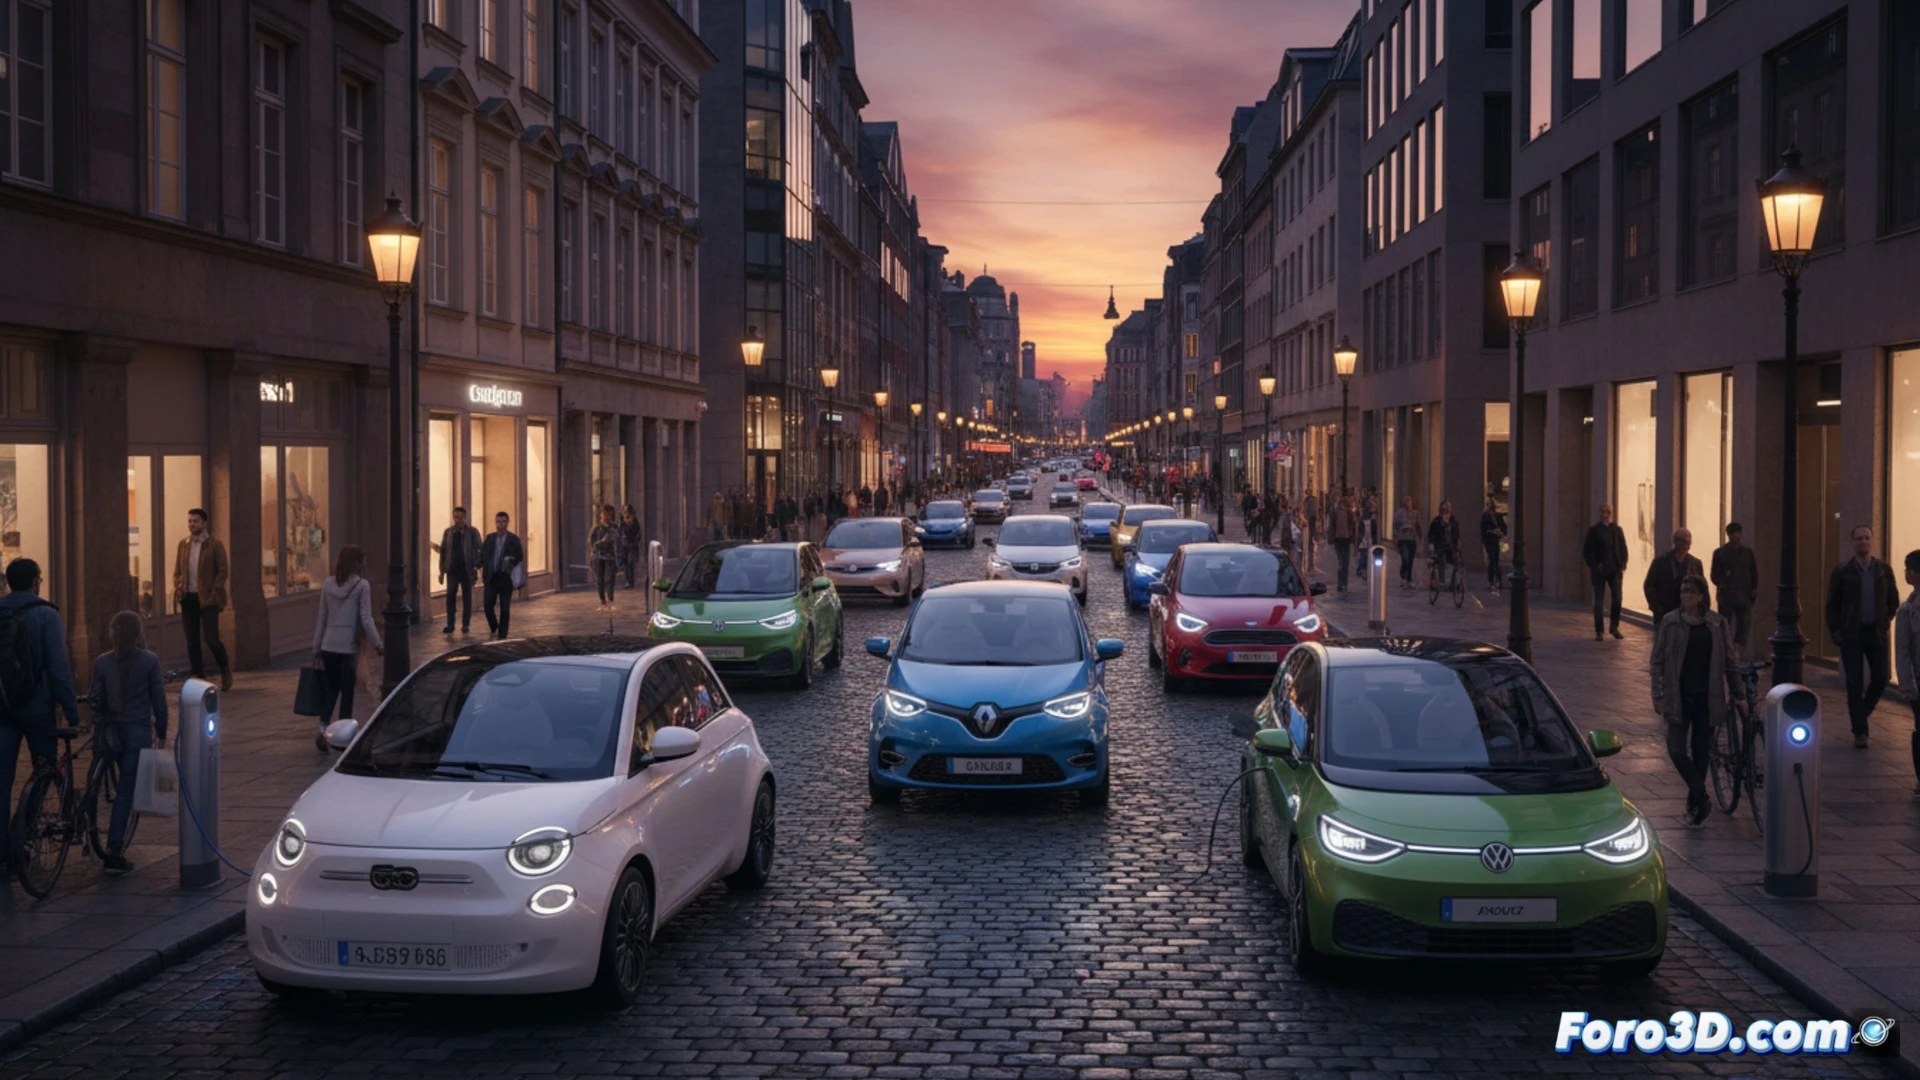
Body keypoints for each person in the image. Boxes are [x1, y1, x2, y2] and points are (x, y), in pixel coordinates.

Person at [0, 559, 82, 879]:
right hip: (37, 708)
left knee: (2, 778)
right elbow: (59, 671)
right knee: (45, 769)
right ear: (36, 581)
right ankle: (23, 830)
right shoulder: (46, 615)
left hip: (2, 708)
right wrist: (72, 712)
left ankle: (3, 849)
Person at [1649, 574, 1740, 827]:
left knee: (1701, 752)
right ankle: (1702, 795)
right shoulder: (1670, 622)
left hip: (1708, 698)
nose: (1685, 596)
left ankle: (1696, 805)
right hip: (1678, 697)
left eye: (1690, 592)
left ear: (1701, 596)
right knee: (1676, 750)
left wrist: (1738, 694)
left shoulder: (1716, 623)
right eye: (1683, 591)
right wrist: (1657, 694)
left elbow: (1731, 662)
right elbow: (1657, 662)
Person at [86, 611, 167, 873]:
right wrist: (162, 728)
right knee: (126, 790)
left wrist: (98, 724)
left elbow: (94, 699)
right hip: (136, 732)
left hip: (109, 733)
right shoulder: (149, 661)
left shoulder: (102, 663)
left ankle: (89, 832)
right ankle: (114, 848)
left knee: (97, 783)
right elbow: (158, 700)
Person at [1827, 524, 1899, 749]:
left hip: (1876, 632)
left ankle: (1860, 715)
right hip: (1852, 634)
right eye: (1859, 539)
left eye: (1867, 538)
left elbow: (1893, 600)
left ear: (1873, 540)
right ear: (1853, 542)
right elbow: (1832, 605)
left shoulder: (1883, 570)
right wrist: (1836, 631)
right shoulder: (1842, 571)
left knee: (1880, 678)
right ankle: (1860, 731)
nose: (1863, 542)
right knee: (1854, 682)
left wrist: (1884, 619)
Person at [310, 545, 382, 752]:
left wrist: (316, 646)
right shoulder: (362, 586)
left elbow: (322, 618)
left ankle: (323, 728)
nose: (364, 565)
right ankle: (343, 734)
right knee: (347, 691)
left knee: (331, 689)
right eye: (362, 561)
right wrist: (378, 643)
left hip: (328, 645)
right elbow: (366, 618)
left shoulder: (328, 584)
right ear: (357, 563)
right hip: (347, 646)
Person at [171, 508, 232, 691]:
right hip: (188, 597)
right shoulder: (184, 544)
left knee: (211, 638)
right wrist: (179, 584)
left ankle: (225, 671)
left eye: (195, 521)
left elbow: (223, 569)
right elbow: (178, 570)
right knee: (192, 639)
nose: (192, 524)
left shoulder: (214, 545)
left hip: (208, 599)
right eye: (190, 521)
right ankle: (198, 676)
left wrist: (215, 588)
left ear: (204, 523)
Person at [1709, 522, 1759, 661]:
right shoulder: (1720, 553)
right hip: (1727, 594)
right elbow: (1714, 575)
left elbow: (1754, 573)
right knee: (1725, 623)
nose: (1735, 536)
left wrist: (1753, 589)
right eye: (1732, 533)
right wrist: (1723, 583)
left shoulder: (1747, 553)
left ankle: (1738, 650)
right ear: (1728, 535)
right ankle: (1726, 650)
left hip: (1744, 594)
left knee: (1744, 624)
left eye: (1737, 533)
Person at [1583, 505, 1630, 640]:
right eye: (1603, 512)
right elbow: (1586, 551)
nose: (1606, 514)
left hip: (1614, 570)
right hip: (1599, 571)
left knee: (1617, 599)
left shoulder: (1617, 530)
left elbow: (1623, 548)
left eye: (1608, 512)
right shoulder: (1593, 531)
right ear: (1599, 514)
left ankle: (1614, 627)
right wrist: (1594, 565)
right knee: (1598, 601)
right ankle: (1599, 630)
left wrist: (1623, 563)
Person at [1643, 528, 1704, 627]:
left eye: (1689, 543)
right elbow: (1649, 585)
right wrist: (1656, 607)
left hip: (1687, 611)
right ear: (1675, 542)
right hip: (1665, 610)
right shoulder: (1660, 562)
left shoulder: (1695, 563)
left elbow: (1702, 587)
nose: (1686, 546)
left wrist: (1701, 608)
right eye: (1683, 542)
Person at [1896, 550, 1920, 792]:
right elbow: (1902, 651)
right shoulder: (1907, 610)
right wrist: (1906, 684)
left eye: (1908, 569)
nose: (1906, 574)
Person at [438, 506, 481, 635]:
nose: (458, 520)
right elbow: (443, 551)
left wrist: (476, 565)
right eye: (456, 517)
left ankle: (465, 624)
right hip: (452, 569)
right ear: (453, 517)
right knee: (450, 595)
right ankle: (450, 624)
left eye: (461, 517)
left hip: (467, 570)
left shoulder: (472, 532)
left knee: (467, 597)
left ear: (465, 518)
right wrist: (441, 571)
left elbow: (479, 549)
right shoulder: (448, 532)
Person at [481, 512, 524, 639]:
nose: (501, 525)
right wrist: (477, 564)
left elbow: (520, 557)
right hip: (491, 577)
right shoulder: (489, 538)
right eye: (499, 522)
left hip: (506, 577)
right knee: (488, 605)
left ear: (507, 523)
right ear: (495, 523)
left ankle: (502, 635)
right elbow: (483, 555)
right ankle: (494, 626)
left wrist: (511, 559)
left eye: (504, 522)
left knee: (505, 608)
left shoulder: (514, 539)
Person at [590, 505, 620, 612]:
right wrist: (598, 545)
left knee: (610, 579)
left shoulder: (614, 528)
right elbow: (592, 543)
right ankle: (602, 601)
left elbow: (616, 541)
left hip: (610, 557)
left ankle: (610, 601)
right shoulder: (597, 528)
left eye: (608, 513)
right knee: (600, 579)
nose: (605, 516)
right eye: (604, 513)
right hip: (598, 557)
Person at [1427, 500, 1461, 589]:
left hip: (1451, 545)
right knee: (1441, 561)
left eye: (1449, 507)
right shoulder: (1437, 520)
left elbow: (1456, 533)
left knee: (1454, 562)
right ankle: (1441, 581)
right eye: (1446, 507)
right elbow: (1431, 534)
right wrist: (1431, 545)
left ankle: (1453, 582)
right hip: (1440, 545)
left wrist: (1457, 542)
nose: (1447, 509)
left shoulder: (1453, 520)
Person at [1328, 494, 1356, 593]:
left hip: (1346, 539)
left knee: (1344, 562)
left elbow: (1353, 526)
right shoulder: (1335, 512)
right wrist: (1330, 538)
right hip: (1339, 539)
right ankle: (1342, 583)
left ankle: (1343, 583)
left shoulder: (1349, 513)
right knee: (1342, 562)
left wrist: (1353, 539)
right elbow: (1331, 526)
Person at [1392, 495, 1421, 588]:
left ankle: (1408, 579)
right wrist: (1396, 536)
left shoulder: (1416, 514)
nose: (1408, 503)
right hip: (1402, 539)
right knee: (1405, 558)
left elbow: (1418, 526)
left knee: (1410, 559)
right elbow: (1395, 526)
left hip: (1412, 539)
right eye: (1406, 501)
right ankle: (1403, 575)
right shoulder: (1399, 513)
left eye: (1409, 500)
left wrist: (1420, 537)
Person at [1480, 498, 1507, 593]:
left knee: (1496, 560)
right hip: (1489, 540)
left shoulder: (1498, 516)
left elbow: (1504, 527)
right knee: (1492, 559)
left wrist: (1501, 531)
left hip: (1495, 540)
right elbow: (1483, 530)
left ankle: (1497, 580)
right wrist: (1492, 531)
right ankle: (1492, 580)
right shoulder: (1485, 517)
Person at [619, 504, 643, 588]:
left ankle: (631, 581)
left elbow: (639, 533)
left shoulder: (635, 522)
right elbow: (619, 532)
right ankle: (627, 580)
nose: (627, 517)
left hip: (632, 545)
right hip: (625, 545)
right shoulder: (622, 522)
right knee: (625, 563)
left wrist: (635, 541)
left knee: (631, 563)